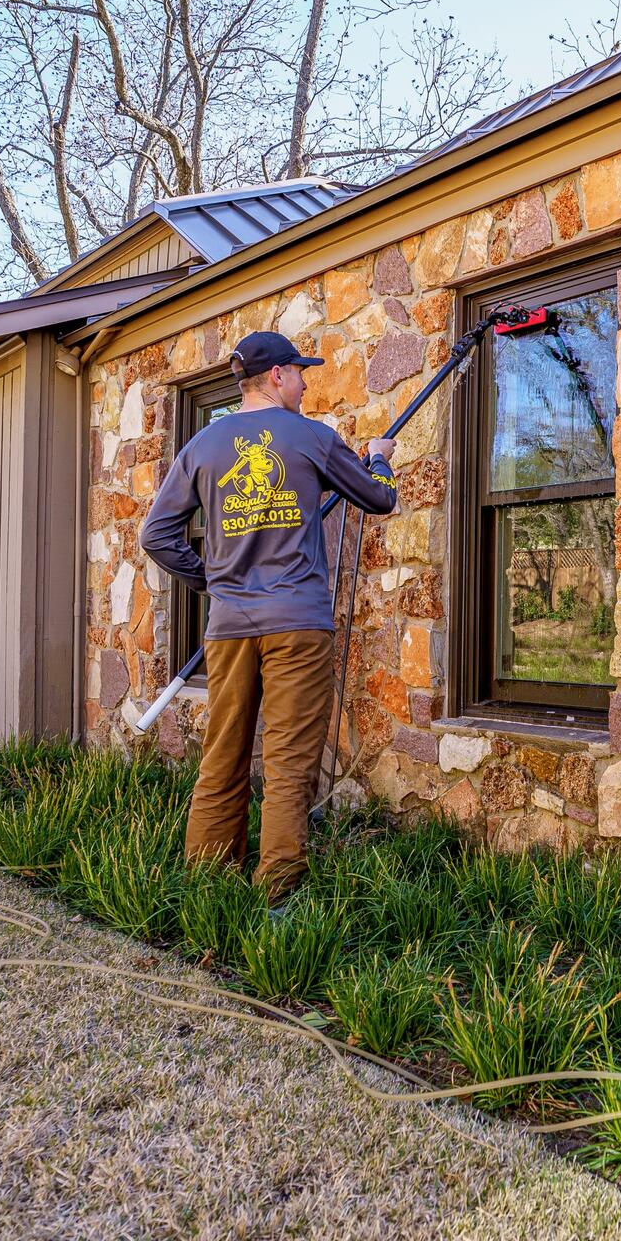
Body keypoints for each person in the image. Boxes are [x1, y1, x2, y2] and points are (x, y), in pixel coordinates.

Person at [140, 330, 397, 906]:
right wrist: (378, 457)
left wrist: (213, 582)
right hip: (298, 626)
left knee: (222, 754)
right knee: (288, 764)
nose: (305, 385)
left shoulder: (202, 445)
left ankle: (208, 887)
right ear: (277, 375)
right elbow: (379, 498)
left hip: (229, 628)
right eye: (300, 373)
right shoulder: (311, 437)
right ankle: (277, 900)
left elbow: (155, 535)